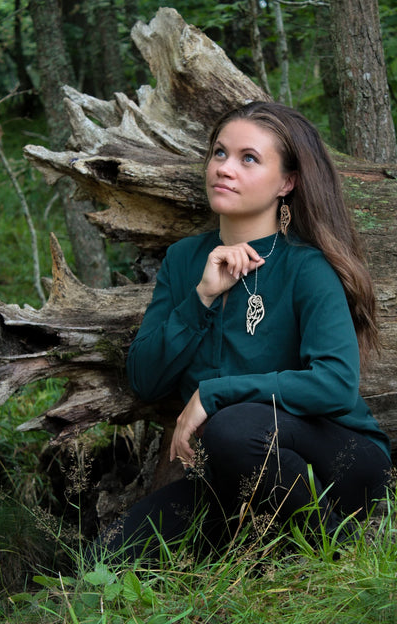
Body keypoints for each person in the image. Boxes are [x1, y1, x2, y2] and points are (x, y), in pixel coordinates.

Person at [98, 101, 391, 562]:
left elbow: (335, 384)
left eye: (248, 158)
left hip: (338, 464)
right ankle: (268, 549)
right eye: (219, 153)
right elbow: (145, 378)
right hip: (230, 472)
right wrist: (202, 298)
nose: (224, 168)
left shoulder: (306, 267)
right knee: (112, 555)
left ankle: (337, 550)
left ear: (287, 182)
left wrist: (216, 393)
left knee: (233, 426)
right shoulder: (184, 261)